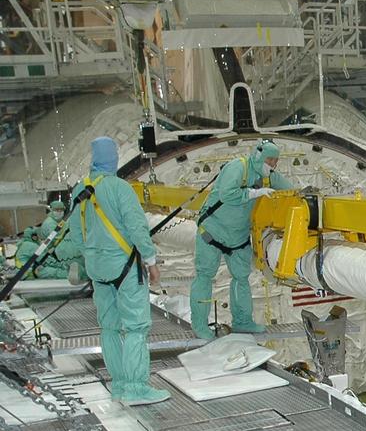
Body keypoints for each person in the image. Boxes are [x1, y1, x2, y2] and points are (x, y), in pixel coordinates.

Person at [57, 137, 170, 405]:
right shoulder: (120, 188)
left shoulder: (80, 191)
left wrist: (91, 256)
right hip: (125, 266)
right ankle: (136, 388)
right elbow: (137, 227)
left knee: (108, 327)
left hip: (97, 268)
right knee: (135, 327)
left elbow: (76, 233)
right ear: (113, 158)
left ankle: (118, 385)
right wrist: (151, 262)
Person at [189, 139, 293, 339]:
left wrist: (307, 195)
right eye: (270, 160)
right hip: (212, 231)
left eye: (276, 161)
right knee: (204, 276)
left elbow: (290, 189)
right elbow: (228, 194)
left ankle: (243, 321)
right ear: (259, 156)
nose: (273, 165)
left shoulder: (267, 176)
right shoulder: (238, 167)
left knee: (241, 278)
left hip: (238, 238)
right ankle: (200, 325)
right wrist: (254, 193)